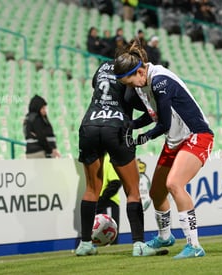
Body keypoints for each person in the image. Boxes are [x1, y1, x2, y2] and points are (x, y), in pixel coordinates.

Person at [114, 41, 214, 259]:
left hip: (196, 136)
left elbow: (164, 124)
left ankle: (194, 245)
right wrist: (130, 125)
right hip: (174, 141)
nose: (132, 87)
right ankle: (165, 236)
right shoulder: (142, 85)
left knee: (174, 184)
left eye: (131, 82)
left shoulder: (160, 81)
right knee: (157, 193)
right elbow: (153, 116)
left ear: (140, 71)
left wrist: (142, 139)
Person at [75, 59, 163, 257]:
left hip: (89, 125)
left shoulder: (103, 66)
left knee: (91, 189)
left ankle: (85, 244)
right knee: (132, 191)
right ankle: (139, 244)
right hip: (116, 127)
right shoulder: (130, 74)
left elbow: (95, 85)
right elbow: (144, 105)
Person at [24, 95, 60, 159]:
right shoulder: (36, 118)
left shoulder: (28, 117)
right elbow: (41, 136)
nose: (45, 110)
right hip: (38, 152)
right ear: (37, 107)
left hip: (30, 151)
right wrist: (50, 150)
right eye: (43, 108)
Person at [96, 154, 122, 244]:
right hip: (99, 201)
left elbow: (115, 183)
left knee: (109, 235)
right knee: (100, 235)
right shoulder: (97, 159)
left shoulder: (108, 159)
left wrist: (102, 200)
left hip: (109, 202)